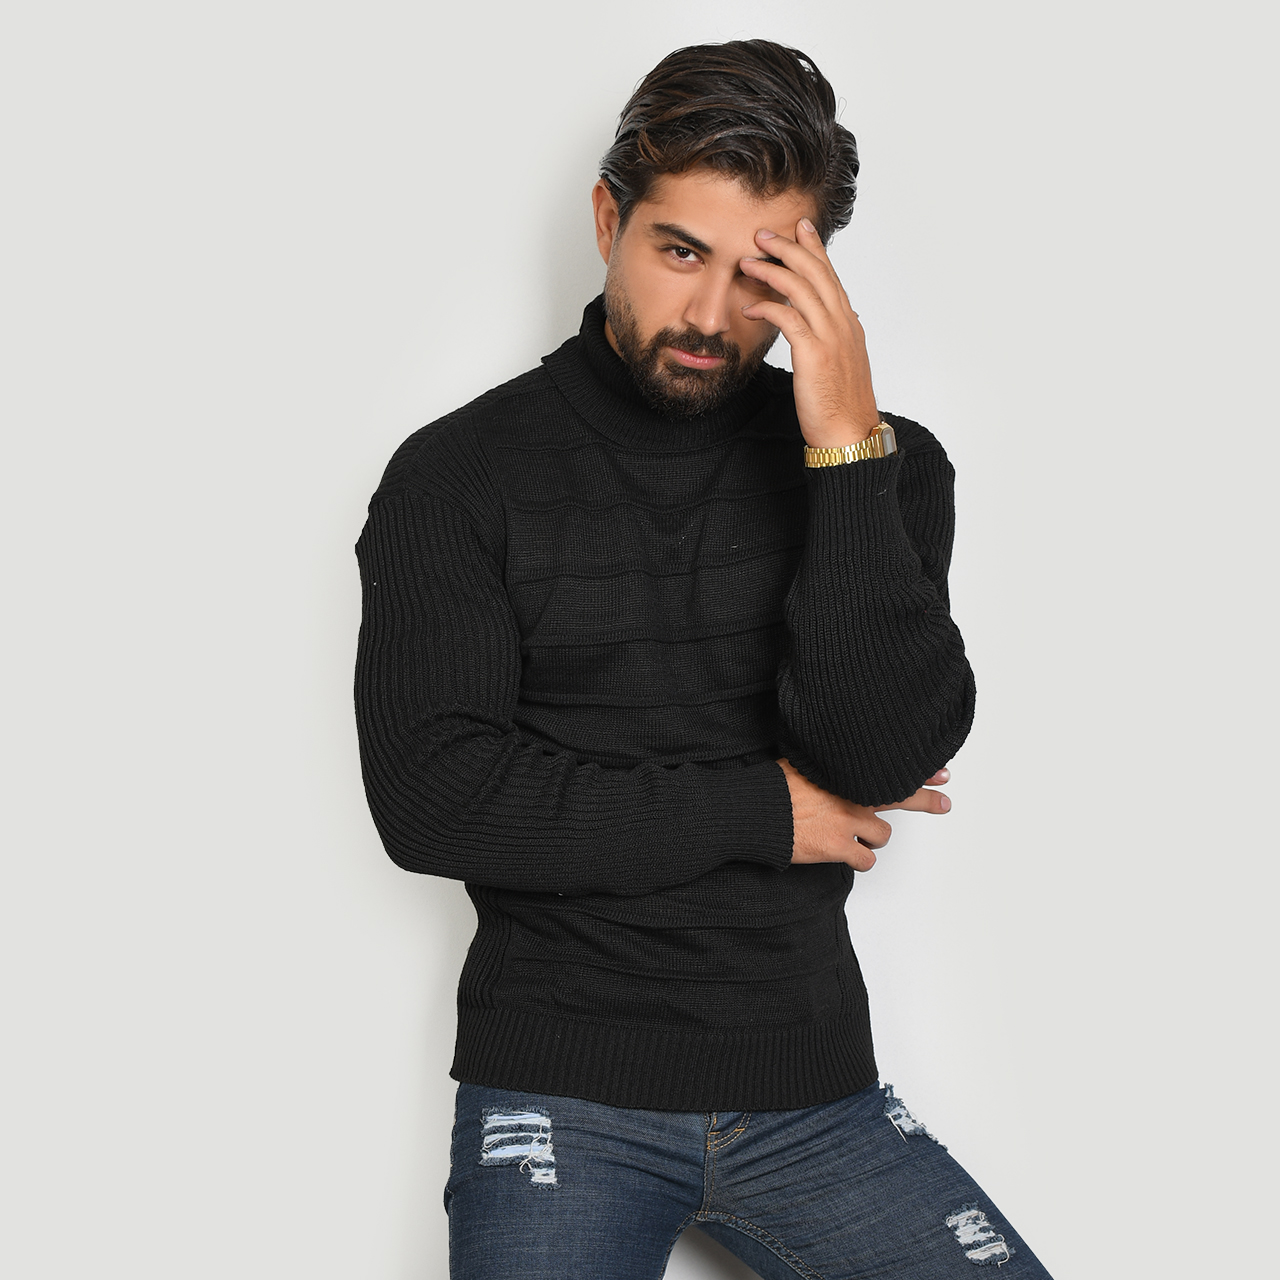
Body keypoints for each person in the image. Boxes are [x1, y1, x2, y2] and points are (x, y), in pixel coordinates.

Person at [355, 38, 1051, 1279]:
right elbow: (436, 799)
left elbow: (876, 752)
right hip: (559, 1086)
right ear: (606, 220)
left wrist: (843, 440)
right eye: (680, 252)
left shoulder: (882, 468)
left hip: (814, 1092)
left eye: (761, 274)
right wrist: (764, 809)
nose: (711, 315)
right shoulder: (456, 478)